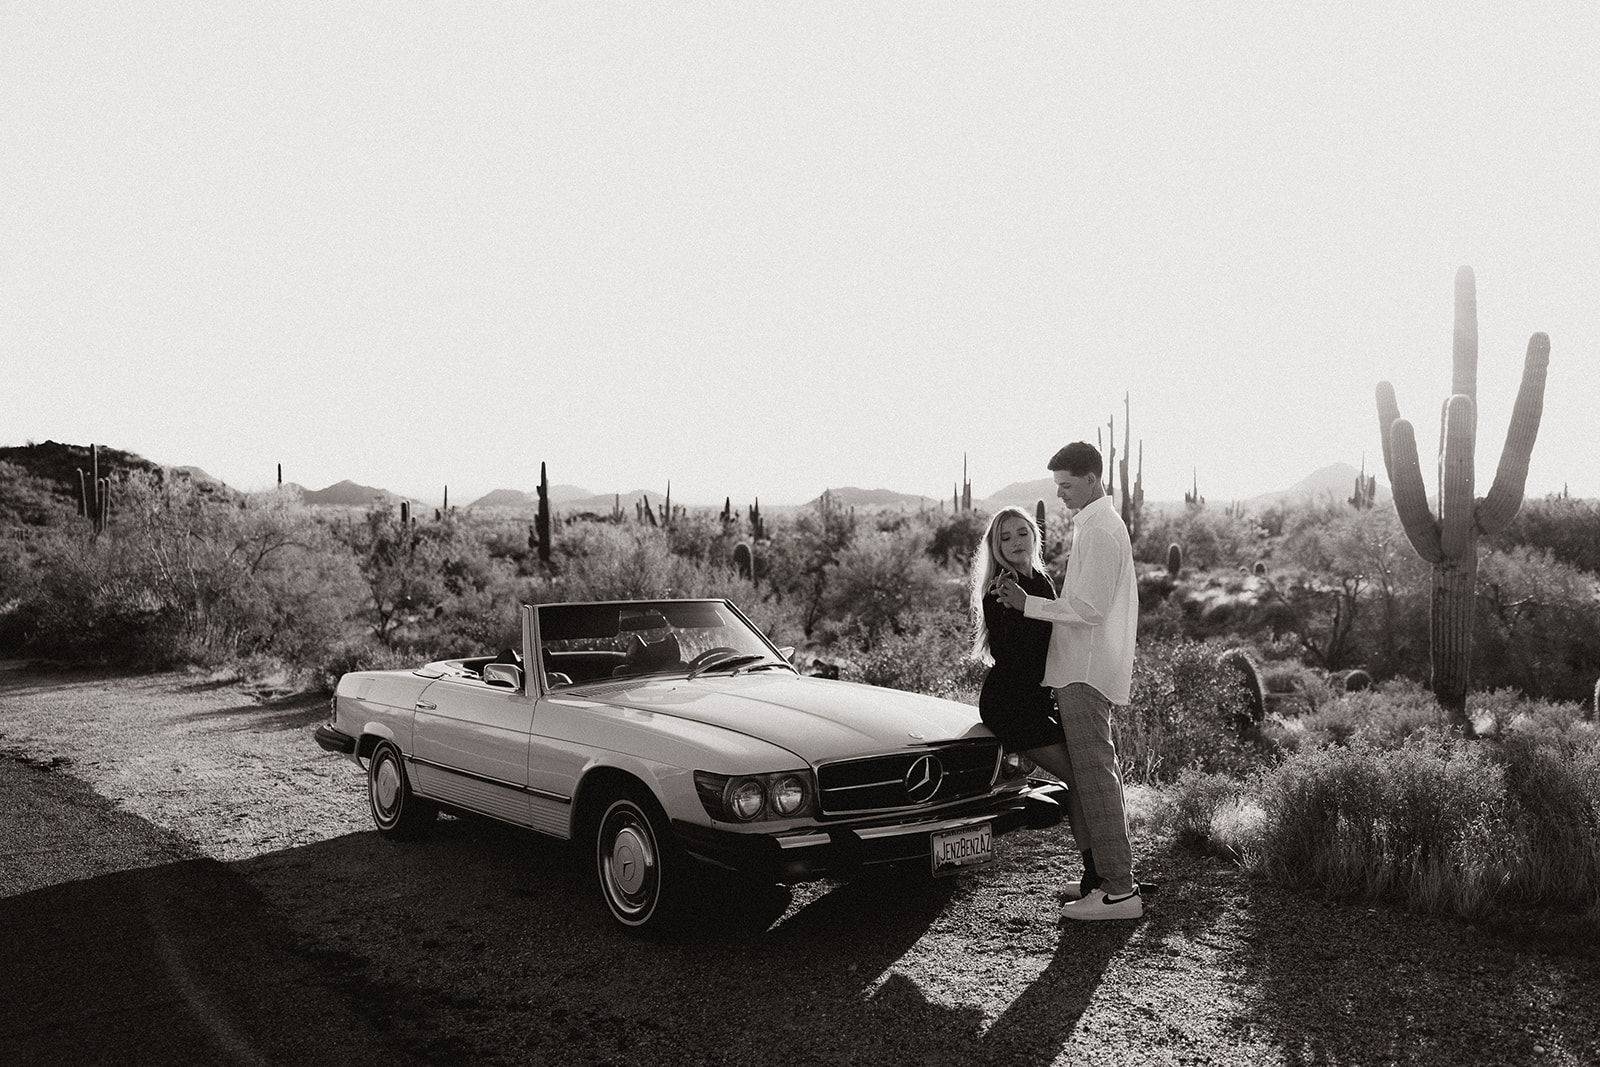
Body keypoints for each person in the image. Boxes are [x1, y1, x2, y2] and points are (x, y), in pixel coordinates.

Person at [996, 442, 1142, 921]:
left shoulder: (1100, 531)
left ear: (1092, 479)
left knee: (1096, 778)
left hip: (1083, 670)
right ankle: (1108, 878)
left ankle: (1119, 891)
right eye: (1056, 487)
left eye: (1066, 485)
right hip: (1080, 669)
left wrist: (1028, 605)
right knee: (1097, 775)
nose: (1058, 495)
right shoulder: (1096, 525)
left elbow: (1090, 610)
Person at [969, 507, 1064, 757]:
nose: (1016, 542)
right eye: (1006, 537)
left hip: (1039, 698)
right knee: (1076, 776)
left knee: (1086, 770)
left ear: (1035, 535)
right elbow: (1011, 655)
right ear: (996, 545)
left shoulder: (1042, 581)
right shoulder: (1000, 589)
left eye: (1022, 533)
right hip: (1010, 703)